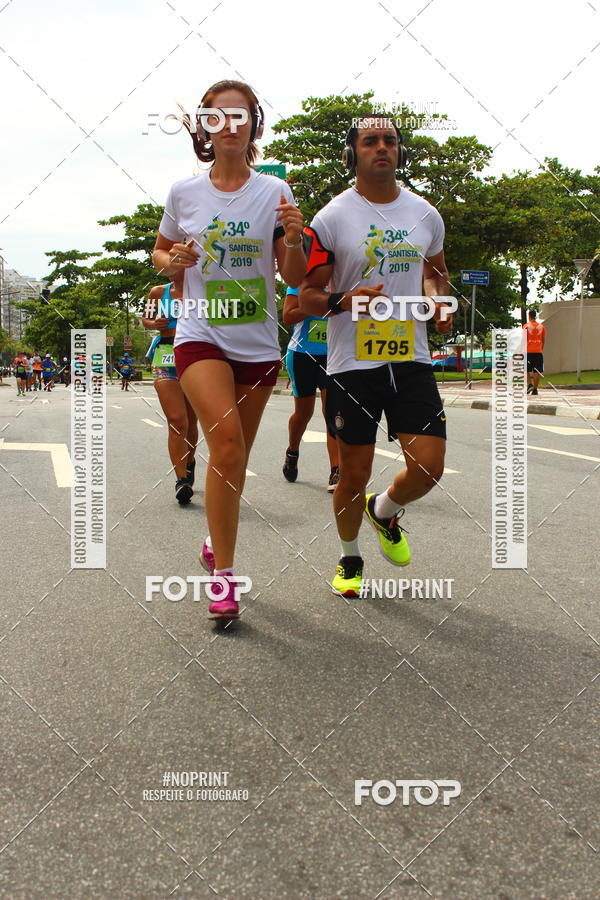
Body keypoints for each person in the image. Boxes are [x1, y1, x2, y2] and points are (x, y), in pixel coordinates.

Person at [153, 79, 306, 619]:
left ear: (254, 125)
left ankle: (216, 544)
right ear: (205, 128)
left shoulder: (274, 193)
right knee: (229, 447)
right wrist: (174, 263)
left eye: (241, 117)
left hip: (258, 344)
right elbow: (161, 251)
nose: (231, 127)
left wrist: (292, 238)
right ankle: (224, 579)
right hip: (201, 335)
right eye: (218, 118)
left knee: (232, 461)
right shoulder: (184, 193)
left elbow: (292, 275)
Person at [299, 115, 453, 598]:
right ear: (353, 154)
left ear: (400, 152)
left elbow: (437, 273)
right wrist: (345, 300)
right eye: (370, 141)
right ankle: (349, 557)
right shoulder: (331, 218)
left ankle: (383, 510)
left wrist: (440, 300)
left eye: (390, 140)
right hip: (351, 365)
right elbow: (305, 296)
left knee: (428, 467)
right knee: (353, 472)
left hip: (412, 357)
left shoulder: (425, 215)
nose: (382, 147)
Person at [141, 275, 199, 505]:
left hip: (196, 356)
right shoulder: (157, 292)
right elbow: (146, 318)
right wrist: (154, 324)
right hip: (165, 354)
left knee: (192, 422)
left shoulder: (204, 289)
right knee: (177, 420)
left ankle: (190, 461)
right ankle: (182, 480)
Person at [282, 285, 339, 490]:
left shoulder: (341, 280)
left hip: (332, 356)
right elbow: (288, 316)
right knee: (303, 413)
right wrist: (315, 304)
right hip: (301, 355)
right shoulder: (299, 282)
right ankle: (292, 450)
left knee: (331, 412)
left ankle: (336, 471)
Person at [523, 308, 545, 395]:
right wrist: (540, 348)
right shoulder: (541, 327)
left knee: (526, 369)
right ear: (535, 316)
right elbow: (543, 340)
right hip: (538, 352)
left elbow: (523, 339)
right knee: (537, 371)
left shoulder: (526, 326)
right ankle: (535, 389)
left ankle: (529, 384)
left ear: (529, 316)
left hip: (528, 351)